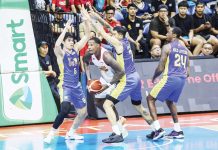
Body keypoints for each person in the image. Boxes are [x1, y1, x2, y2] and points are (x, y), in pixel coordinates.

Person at [90, 20, 155, 143]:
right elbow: (109, 28)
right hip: (135, 76)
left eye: (114, 34)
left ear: (120, 35)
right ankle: (156, 128)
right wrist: (95, 15)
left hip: (127, 79)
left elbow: (104, 33)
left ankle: (117, 134)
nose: (112, 35)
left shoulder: (119, 44)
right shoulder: (124, 41)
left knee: (107, 104)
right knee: (138, 106)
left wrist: (91, 21)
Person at [44, 7, 91, 144]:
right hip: (65, 86)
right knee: (64, 110)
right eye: (69, 40)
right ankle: (51, 134)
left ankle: (71, 133)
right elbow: (57, 45)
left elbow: (87, 35)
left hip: (76, 86)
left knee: (83, 112)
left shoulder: (76, 49)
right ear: (65, 42)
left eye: (72, 40)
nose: (71, 42)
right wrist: (65, 29)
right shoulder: (61, 54)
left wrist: (87, 20)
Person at [146, 27, 190, 140]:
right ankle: (178, 130)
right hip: (181, 79)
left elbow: (160, 67)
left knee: (150, 99)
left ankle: (157, 129)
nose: (166, 34)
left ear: (174, 35)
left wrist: (154, 77)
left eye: (168, 32)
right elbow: (188, 71)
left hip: (170, 77)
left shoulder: (167, 47)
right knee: (170, 102)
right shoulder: (185, 49)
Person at [83, 37, 128, 138]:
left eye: (92, 45)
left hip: (116, 79)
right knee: (98, 102)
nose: (89, 47)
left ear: (99, 45)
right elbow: (85, 61)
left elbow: (121, 72)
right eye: (88, 45)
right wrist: (89, 78)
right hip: (105, 78)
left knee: (107, 104)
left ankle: (118, 130)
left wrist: (107, 85)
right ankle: (119, 120)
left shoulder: (106, 55)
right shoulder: (89, 53)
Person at [37, 41, 61, 113]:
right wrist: (50, 72)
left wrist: (50, 72)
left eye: (46, 47)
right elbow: (39, 72)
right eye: (43, 47)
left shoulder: (48, 57)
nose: (45, 49)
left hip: (51, 81)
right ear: (38, 48)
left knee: (57, 96)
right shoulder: (37, 58)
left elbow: (50, 69)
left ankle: (59, 113)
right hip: (42, 81)